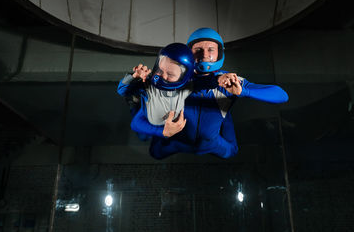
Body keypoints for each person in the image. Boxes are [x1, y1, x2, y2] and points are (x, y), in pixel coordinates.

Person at [142, 28, 289, 159]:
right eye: (198, 49)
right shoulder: (176, 76)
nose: (205, 55)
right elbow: (183, 85)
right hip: (179, 142)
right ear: (189, 53)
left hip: (210, 142)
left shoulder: (231, 80)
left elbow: (281, 95)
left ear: (220, 52)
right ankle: (224, 112)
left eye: (211, 49)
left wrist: (244, 91)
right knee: (156, 152)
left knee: (231, 152)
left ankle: (225, 113)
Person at [117, 43, 194, 138]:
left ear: (183, 77)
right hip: (148, 118)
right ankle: (133, 105)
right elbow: (122, 91)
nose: (163, 77)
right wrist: (134, 77)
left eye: (170, 74)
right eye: (160, 70)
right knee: (142, 136)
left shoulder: (188, 86)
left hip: (166, 122)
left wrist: (217, 78)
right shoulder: (148, 84)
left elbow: (206, 82)